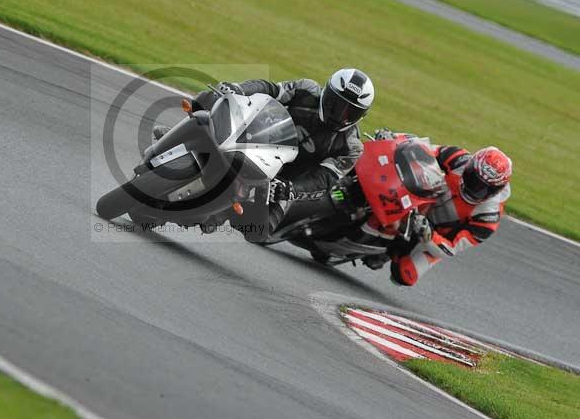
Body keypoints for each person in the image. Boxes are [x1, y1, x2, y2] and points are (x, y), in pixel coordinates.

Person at [156, 69, 375, 241]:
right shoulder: (306, 90)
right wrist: (239, 89)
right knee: (212, 97)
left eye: (349, 111)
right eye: (335, 104)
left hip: (282, 179)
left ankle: (218, 213)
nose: (339, 114)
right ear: (326, 93)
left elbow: (323, 179)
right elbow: (270, 88)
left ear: (361, 115)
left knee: (259, 231)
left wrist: (290, 189)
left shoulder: (351, 147)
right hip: (259, 139)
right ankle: (179, 134)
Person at [363, 132, 513, 286]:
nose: (473, 189)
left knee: (405, 275)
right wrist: (393, 138)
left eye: (482, 188)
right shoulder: (459, 158)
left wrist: (429, 235)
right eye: (472, 178)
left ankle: (391, 251)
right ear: (469, 166)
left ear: (496, 190)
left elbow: (451, 248)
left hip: (435, 233)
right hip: (420, 198)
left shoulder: (488, 217)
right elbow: (418, 149)